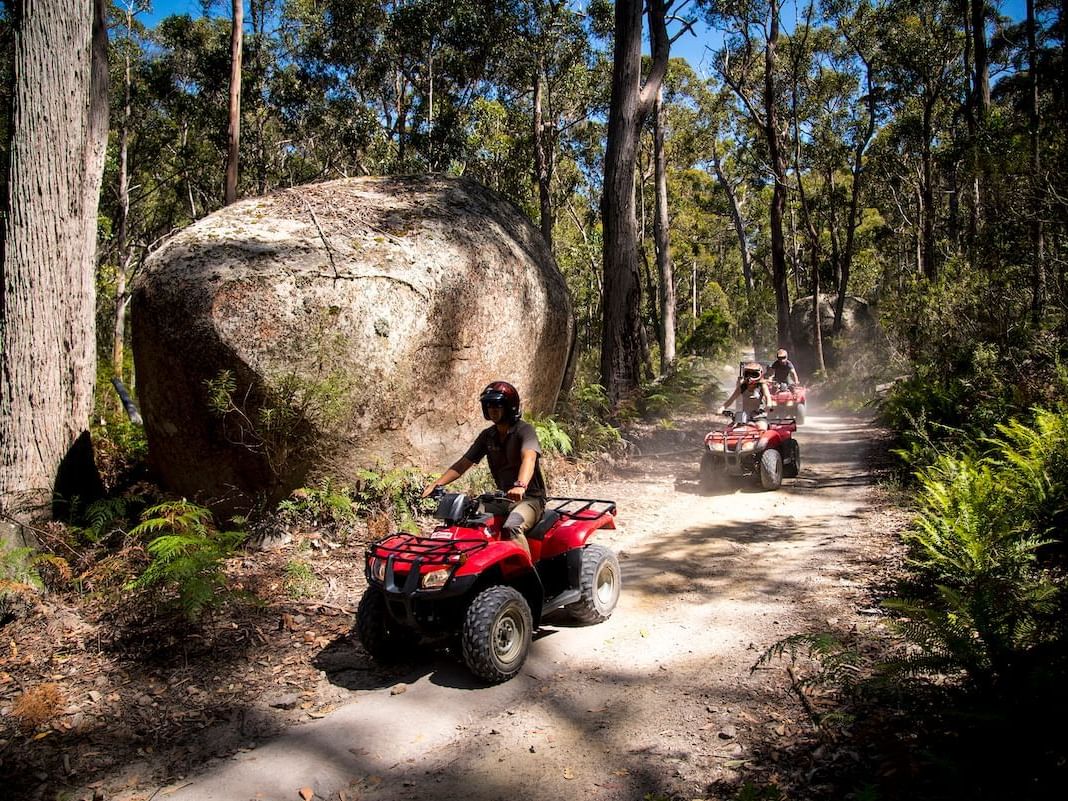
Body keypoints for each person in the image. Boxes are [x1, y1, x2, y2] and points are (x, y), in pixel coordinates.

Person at [421, 381, 545, 559]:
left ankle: (525, 575)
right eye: (489, 406)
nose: (492, 410)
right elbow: (464, 463)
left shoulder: (524, 431)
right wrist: (436, 483)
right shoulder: (488, 436)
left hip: (530, 499)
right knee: (463, 514)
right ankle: (456, 564)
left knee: (513, 526)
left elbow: (529, 457)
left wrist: (520, 485)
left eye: (497, 405)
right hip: (502, 498)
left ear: (509, 407)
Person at [720, 361, 773, 430]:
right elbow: (731, 399)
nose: (750, 377)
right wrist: (722, 408)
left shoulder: (762, 386)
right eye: (747, 374)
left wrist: (768, 405)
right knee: (732, 430)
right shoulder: (742, 386)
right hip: (744, 417)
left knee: (762, 429)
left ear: (759, 374)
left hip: (759, 416)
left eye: (754, 374)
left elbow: (768, 397)